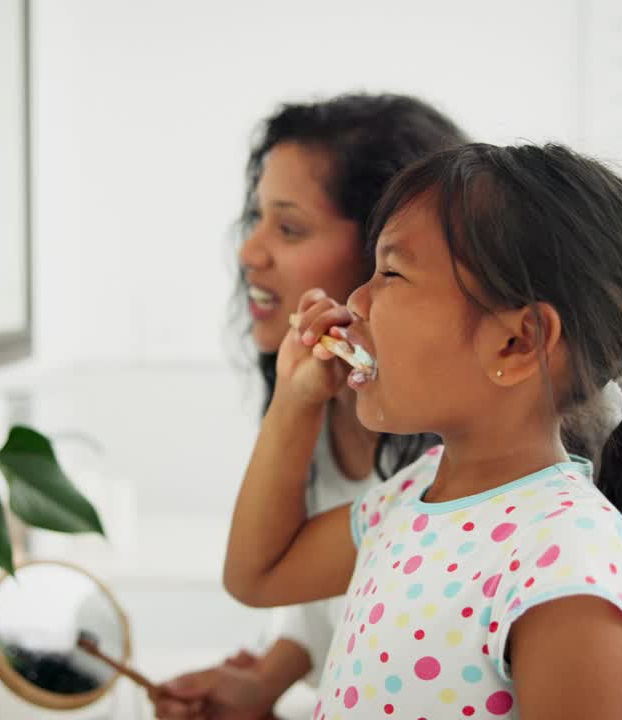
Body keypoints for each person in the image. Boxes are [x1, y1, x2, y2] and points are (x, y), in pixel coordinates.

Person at [221, 143, 622, 718]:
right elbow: (257, 575)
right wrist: (296, 399)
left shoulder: (567, 560)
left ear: (517, 343)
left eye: (391, 272)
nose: (356, 300)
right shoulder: (412, 495)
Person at [152, 94, 468, 720]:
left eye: (289, 228)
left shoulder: (457, 477)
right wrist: (264, 680)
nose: (249, 253)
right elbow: (320, 591)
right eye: (257, 218)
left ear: (384, 254)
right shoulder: (323, 407)